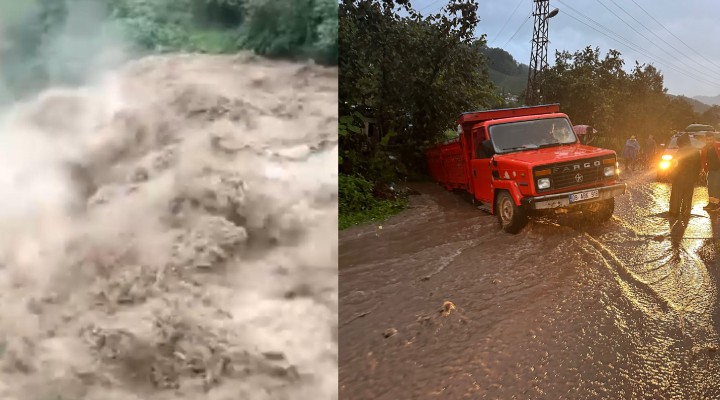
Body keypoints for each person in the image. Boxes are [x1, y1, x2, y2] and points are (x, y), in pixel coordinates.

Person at [669, 133, 702, 218]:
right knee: (688, 195)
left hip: (680, 177)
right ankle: (686, 212)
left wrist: (672, 175)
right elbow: (698, 165)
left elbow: (675, 164)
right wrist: (696, 176)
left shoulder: (680, 151)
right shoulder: (695, 150)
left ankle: (675, 212)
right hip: (691, 177)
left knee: (677, 195)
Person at [703, 134, 720, 211]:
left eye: (710, 139)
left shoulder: (718, 146)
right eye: (707, 139)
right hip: (710, 170)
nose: (709, 141)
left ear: (713, 139)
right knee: (710, 186)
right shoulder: (705, 148)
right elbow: (703, 160)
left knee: (716, 186)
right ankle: (711, 203)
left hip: (718, 169)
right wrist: (703, 169)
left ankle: (716, 204)